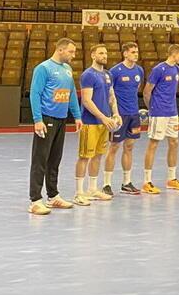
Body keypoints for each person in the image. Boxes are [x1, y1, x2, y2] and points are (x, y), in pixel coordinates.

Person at [28, 38, 85, 215]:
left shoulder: (67, 69)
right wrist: (38, 119)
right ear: (60, 50)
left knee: (55, 160)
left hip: (61, 120)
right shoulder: (43, 68)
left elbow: (72, 94)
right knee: (40, 160)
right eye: (71, 51)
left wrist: (77, 115)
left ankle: (53, 196)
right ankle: (35, 200)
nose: (73, 55)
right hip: (46, 118)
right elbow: (35, 94)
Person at [75, 43, 120, 205]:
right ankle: (79, 192)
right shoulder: (88, 75)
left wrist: (115, 113)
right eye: (101, 53)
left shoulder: (108, 74)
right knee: (84, 156)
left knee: (98, 156)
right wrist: (103, 117)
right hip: (91, 122)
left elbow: (111, 96)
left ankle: (92, 189)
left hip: (105, 122)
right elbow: (86, 100)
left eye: (106, 53)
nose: (104, 56)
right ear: (93, 55)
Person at [142, 43, 179, 194]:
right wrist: (152, 109)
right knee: (153, 143)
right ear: (174, 54)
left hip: (172, 112)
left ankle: (171, 179)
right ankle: (147, 181)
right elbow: (147, 91)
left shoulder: (177, 69)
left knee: (174, 142)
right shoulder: (158, 69)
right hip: (158, 112)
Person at [103, 41, 144, 196]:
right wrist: (113, 113)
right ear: (125, 53)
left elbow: (136, 90)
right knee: (114, 147)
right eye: (133, 52)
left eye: (137, 51)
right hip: (119, 115)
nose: (136, 54)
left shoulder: (139, 70)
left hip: (134, 114)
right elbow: (109, 93)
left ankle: (126, 183)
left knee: (129, 147)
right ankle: (106, 184)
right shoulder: (115, 71)